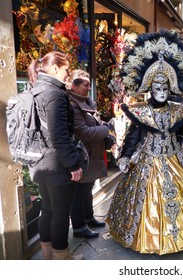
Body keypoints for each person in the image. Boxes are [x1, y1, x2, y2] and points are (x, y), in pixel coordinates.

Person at [105, 31, 183, 255]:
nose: (161, 92)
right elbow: (133, 137)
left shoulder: (178, 109)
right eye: (157, 88)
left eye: (165, 89)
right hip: (149, 160)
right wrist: (125, 156)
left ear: (171, 89)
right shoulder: (141, 111)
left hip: (175, 157)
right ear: (150, 88)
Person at [27, 51, 84, 260]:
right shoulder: (54, 93)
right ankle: (62, 259)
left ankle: (47, 255)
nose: (68, 74)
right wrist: (73, 164)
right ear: (54, 68)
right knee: (60, 213)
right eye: (66, 69)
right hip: (56, 164)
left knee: (48, 210)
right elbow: (58, 134)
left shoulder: (35, 89)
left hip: (39, 162)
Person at [66, 69, 111, 239]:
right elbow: (82, 131)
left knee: (87, 188)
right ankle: (79, 226)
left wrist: (102, 125)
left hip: (91, 154)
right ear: (74, 86)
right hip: (82, 155)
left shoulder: (86, 102)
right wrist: (105, 130)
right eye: (85, 85)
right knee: (79, 192)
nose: (88, 88)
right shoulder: (73, 104)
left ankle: (88, 217)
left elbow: (94, 123)